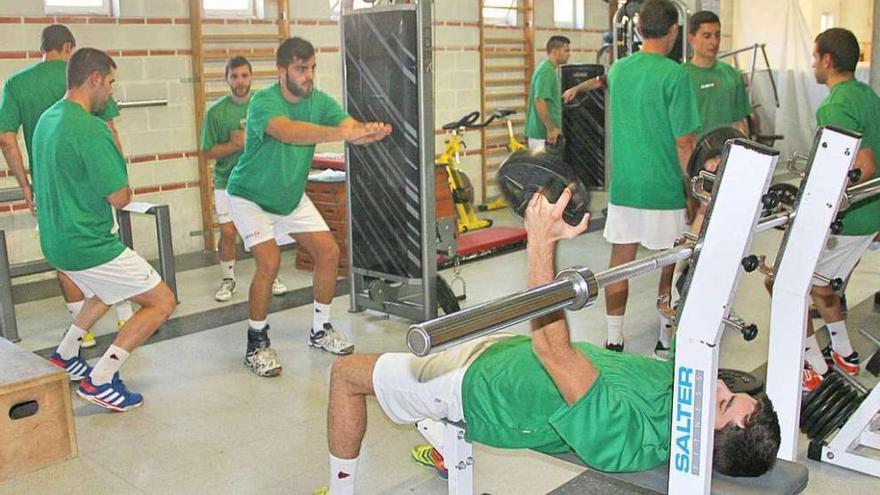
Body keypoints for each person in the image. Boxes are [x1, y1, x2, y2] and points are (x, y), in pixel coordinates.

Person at [312, 188, 781, 495]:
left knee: (345, 375)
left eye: (722, 405)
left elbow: (552, 350)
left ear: (708, 443)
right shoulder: (685, 395)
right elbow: (693, 319)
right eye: (731, 392)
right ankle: (440, 442)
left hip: (473, 388)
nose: (719, 386)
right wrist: (706, 225)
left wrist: (540, 241)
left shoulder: (629, 439)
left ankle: (341, 488)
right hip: (500, 350)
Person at [226, 37, 391, 377]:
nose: (308, 76)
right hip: (250, 196)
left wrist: (361, 131)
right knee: (269, 261)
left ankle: (320, 329)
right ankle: (256, 342)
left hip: (289, 197)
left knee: (329, 253)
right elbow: (289, 133)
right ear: (282, 70)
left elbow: (344, 123)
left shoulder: (319, 101)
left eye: (312, 68)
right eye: (301, 69)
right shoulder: (263, 103)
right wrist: (342, 134)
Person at [34, 48, 177, 411]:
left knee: (107, 290)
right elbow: (120, 197)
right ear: (94, 79)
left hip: (56, 241)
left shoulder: (47, 119)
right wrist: (115, 152)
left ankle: (67, 355)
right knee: (162, 301)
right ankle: (101, 379)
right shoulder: (90, 129)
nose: (112, 92)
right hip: (88, 244)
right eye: (111, 82)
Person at [0, 24, 133, 349]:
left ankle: (81, 333)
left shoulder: (17, 83)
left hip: (50, 191)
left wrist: (27, 187)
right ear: (69, 47)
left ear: (43, 47)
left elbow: (6, 139)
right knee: (109, 249)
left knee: (65, 260)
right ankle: (125, 318)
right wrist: (119, 177)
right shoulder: (86, 76)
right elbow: (109, 127)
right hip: (90, 189)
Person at [602, 0, 700, 354]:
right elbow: (685, 142)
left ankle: (614, 337)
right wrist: (694, 190)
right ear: (674, 31)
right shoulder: (676, 75)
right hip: (663, 188)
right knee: (670, 264)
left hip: (625, 187)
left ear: (639, 30)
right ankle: (664, 336)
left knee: (619, 263)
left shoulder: (617, 71)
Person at [661, 10, 754, 349]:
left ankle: (714, 309)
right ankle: (672, 320)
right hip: (695, 179)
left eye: (717, 35)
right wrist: (689, 186)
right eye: (706, 36)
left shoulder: (730, 75)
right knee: (688, 249)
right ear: (691, 38)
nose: (713, 42)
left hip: (731, 175)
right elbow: (678, 136)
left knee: (728, 246)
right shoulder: (680, 76)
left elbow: (742, 123)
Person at [800, 28, 880, 391]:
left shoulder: (834, 105)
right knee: (823, 285)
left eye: (816, 57)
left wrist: (821, 203)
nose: (814, 63)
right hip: (872, 215)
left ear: (827, 60)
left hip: (852, 218)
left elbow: (862, 165)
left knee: (785, 282)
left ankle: (813, 366)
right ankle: (844, 355)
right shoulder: (867, 95)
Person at [201, 55, 288, 303]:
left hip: (259, 181)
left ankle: (272, 275)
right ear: (227, 79)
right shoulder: (216, 112)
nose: (240, 81)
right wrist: (232, 145)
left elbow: (277, 139)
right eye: (234, 76)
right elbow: (207, 151)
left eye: (244, 75)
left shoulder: (264, 107)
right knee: (228, 232)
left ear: (251, 76)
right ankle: (228, 279)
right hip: (227, 182)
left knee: (266, 231)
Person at [525, 35, 571, 151]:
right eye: (566, 50)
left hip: (544, 135)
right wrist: (550, 129)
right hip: (542, 136)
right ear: (554, 52)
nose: (569, 54)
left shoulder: (548, 69)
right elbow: (539, 101)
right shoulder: (546, 71)